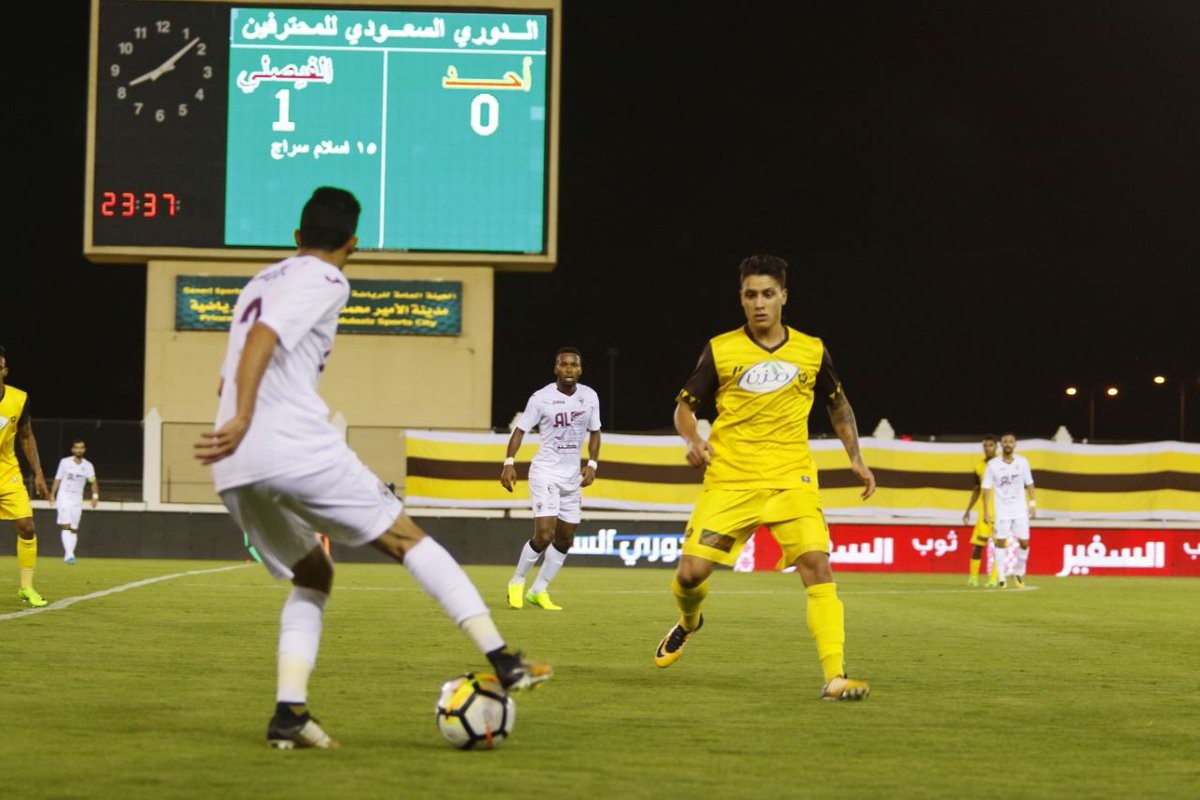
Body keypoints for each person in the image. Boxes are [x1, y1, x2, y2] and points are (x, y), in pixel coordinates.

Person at [194, 187, 550, 750]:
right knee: (408, 539)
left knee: (314, 575)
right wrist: (244, 415)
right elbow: (265, 339)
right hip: (291, 445)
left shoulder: (259, 282)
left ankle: (290, 714)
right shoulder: (329, 278)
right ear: (353, 243)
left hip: (234, 466)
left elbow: (232, 366)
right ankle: (504, 659)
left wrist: (236, 419)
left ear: (295, 237)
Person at [657, 255, 876, 701]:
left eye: (768, 294)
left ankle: (835, 675)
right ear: (741, 298)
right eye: (750, 295)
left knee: (817, 565)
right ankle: (689, 621)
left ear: (784, 297)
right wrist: (694, 439)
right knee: (689, 575)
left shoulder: (812, 349)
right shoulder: (720, 349)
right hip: (731, 480)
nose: (759, 303)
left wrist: (855, 456)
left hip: (790, 480)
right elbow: (684, 407)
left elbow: (838, 404)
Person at [500, 347, 602, 611]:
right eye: (563, 365)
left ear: (580, 369)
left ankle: (539, 590)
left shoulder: (589, 397)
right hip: (545, 472)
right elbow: (520, 430)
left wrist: (592, 463)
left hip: (572, 478)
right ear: (556, 368)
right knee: (544, 534)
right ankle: (517, 580)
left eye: (573, 365)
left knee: (566, 539)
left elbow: (595, 432)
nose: (568, 369)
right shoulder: (541, 398)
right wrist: (509, 462)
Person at [0, 346, 51, 607]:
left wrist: (39, 473)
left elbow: (27, 436)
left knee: (27, 527)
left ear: (4, 371)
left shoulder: (19, 399)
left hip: (7, 473)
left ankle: (26, 588)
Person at [981, 432, 1036, 589]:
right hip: (1002, 510)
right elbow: (986, 488)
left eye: (1011, 442)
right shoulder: (993, 465)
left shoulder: (1023, 462)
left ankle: (1018, 572)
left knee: (1024, 543)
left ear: (1015, 444)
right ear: (1001, 444)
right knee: (1000, 542)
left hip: (1020, 509)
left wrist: (1032, 504)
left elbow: (1030, 484)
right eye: (1005, 441)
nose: (1008, 444)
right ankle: (1001, 577)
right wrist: (986, 510)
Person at [50, 439, 100, 564]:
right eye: (77, 447)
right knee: (66, 524)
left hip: (77, 498)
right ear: (72, 449)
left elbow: (92, 481)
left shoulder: (88, 465)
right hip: (64, 496)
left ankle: (69, 554)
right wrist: (52, 494)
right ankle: (69, 555)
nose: (79, 450)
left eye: (81, 447)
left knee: (74, 527)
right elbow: (58, 478)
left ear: (84, 449)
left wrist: (95, 496)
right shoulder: (65, 462)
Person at [962, 434, 999, 587]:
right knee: (979, 545)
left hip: (1001, 512)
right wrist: (968, 509)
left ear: (996, 447)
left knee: (1000, 546)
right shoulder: (979, 466)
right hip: (984, 512)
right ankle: (973, 578)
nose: (987, 448)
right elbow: (976, 490)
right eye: (985, 445)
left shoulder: (1004, 465)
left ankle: (994, 578)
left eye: (990, 445)